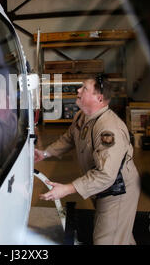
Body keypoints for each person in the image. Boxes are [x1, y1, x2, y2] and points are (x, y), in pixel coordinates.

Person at [35, 75, 141, 245]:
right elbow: (69, 138)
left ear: (99, 98)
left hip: (117, 192)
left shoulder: (108, 129)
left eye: (84, 88)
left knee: (106, 240)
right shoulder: (82, 116)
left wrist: (68, 189)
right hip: (100, 188)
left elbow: (106, 175)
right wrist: (45, 153)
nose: (78, 90)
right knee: (119, 235)